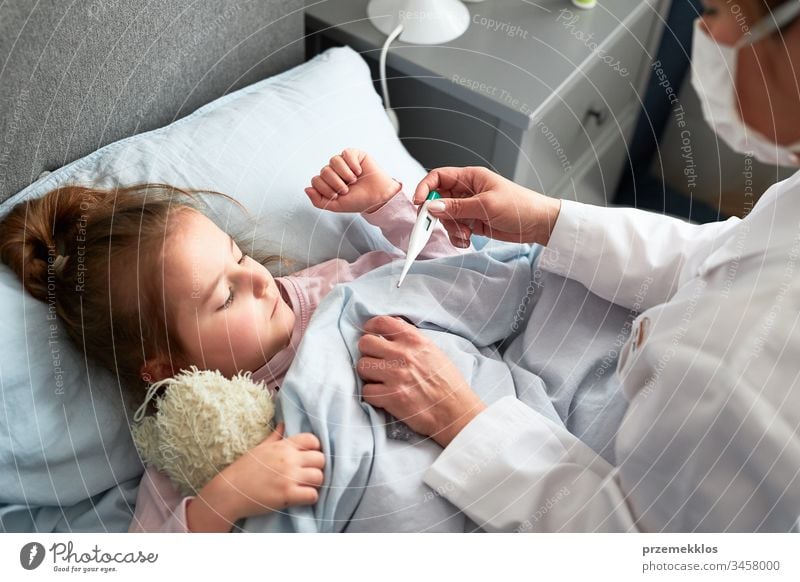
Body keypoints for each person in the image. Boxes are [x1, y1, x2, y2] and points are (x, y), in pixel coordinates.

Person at [357, 0, 800, 532]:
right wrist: (547, 220)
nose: (706, 30)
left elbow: (647, 552)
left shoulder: (753, 378)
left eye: (720, 9)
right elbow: (725, 258)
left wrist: (462, 421)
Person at [0, 149, 471, 533]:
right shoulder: (201, 434)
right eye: (226, 297)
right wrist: (223, 499)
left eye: (240, 256)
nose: (261, 281)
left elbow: (459, 283)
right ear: (165, 368)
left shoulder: (327, 291)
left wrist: (385, 204)